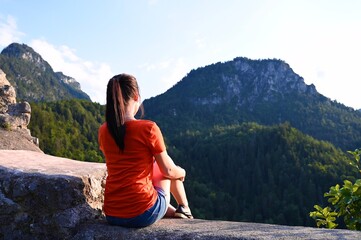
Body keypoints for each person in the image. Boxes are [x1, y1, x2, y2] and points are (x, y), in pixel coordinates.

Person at [98, 73, 193, 228]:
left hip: (112, 214)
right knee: (164, 164)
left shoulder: (103, 130)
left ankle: (174, 210)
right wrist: (182, 173)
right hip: (142, 214)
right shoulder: (148, 128)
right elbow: (168, 171)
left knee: (153, 166)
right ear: (136, 96)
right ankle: (185, 207)